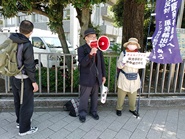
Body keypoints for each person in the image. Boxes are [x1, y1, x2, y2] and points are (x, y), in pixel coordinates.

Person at [10, 20, 39, 136]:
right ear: (31, 32)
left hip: (13, 77)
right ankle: (24, 129)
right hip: (24, 78)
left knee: (17, 101)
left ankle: (19, 122)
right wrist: (34, 82)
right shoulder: (27, 44)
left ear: (20, 29)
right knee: (27, 104)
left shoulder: (12, 40)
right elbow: (29, 65)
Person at [77, 28, 106, 123]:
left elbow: (102, 63)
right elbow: (82, 63)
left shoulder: (99, 49)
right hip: (86, 78)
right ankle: (82, 113)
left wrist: (103, 75)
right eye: (91, 37)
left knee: (94, 97)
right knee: (84, 97)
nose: (94, 38)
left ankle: (93, 111)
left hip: (97, 77)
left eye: (95, 36)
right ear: (86, 38)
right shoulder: (81, 49)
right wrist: (90, 54)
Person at [116, 38, 141, 117]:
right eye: (131, 44)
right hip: (124, 77)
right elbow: (118, 65)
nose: (132, 46)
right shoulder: (123, 53)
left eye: (134, 44)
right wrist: (123, 62)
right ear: (128, 45)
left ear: (136, 46)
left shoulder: (139, 54)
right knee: (121, 95)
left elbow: (141, 66)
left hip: (135, 77)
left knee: (133, 95)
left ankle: (132, 109)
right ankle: (119, 109)